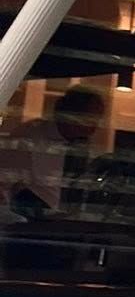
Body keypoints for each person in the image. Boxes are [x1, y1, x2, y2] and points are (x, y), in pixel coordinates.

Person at [0, 84, 107, 225]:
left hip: (65, 227)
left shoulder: (83, 146)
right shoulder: (29, 137)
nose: (96, 125)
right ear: (71, 114)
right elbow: (3, 184)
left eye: (98, 119)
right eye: (91, 118)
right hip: (29, 226)